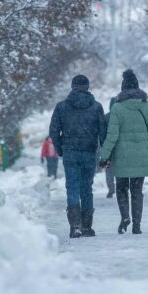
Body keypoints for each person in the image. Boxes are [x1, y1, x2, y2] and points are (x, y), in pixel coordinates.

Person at [98, 69, 148, 234]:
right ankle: (137, 225)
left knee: (122, 188)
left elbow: (112, 136)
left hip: (122, 157)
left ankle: (125, 217)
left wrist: (104, 156)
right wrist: (146, 145)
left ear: (123, 89)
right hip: (140, 156)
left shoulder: (117, 108)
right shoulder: (146, 107)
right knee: (137, 190)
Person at [49, 74, 106, 238]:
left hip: (70, 153)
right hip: (89, 153)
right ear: (87, 87)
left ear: (72, 86)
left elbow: (53, 131)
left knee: (72, 188)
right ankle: (87, 226)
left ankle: (75, 226)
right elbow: (102, 132)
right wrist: (103, 154)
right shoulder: (96, 107)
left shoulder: (62, 107)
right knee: (87, 188)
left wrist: (61, 149)